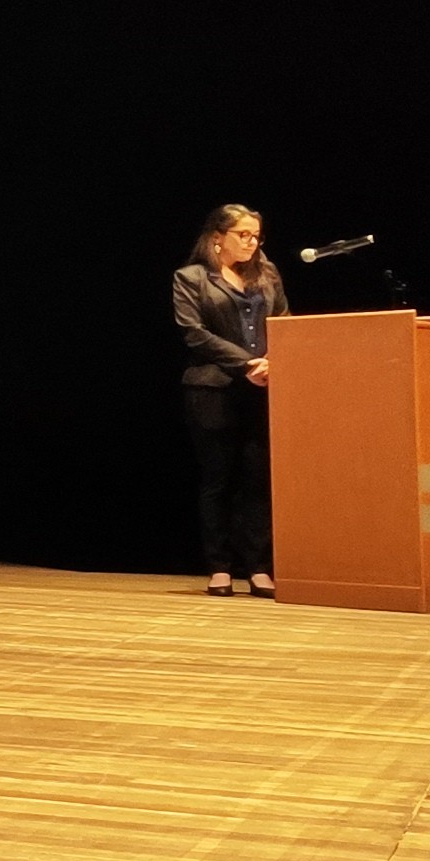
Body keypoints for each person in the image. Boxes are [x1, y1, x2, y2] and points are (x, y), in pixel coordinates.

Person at [173, 203, 285, 597]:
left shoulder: (267, 273)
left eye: (256, 236)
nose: (252, 242)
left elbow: (283, 321)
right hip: (212, 388)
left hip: (263, 386)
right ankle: (219, 567)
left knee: (258, 479)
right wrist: (247, 363)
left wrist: (272, 361)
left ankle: (259, 569)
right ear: (218, 238)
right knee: (218, 478)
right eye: (243, 235)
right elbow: (194, 333)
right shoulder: (191, 278)